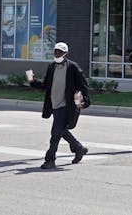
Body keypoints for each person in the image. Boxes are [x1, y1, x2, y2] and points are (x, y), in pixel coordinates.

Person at [33, 41, 91, 169]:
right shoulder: (51, 67)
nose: (57, 54)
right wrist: (33, 81)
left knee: (55, 133)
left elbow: (83, 85)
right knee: (61, 130)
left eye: (59, 52)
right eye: (55, 51)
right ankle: (78, 148)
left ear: (65, 53)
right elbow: (45, 86)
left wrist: (84, 101)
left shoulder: (72, 67)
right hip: (54, 104)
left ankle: (50, 160)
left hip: (66, 105)